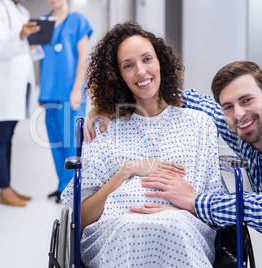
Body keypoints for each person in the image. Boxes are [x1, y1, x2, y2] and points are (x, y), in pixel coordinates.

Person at [86, 61, 262, 267]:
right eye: (228, 106)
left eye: (247, 100)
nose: (239, 114)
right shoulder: (245, 131)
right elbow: (175, 98)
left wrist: (194, 201)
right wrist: (111, 103)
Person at [61, 21, 228, 267]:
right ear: (117, 76)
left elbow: (218, 213)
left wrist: (181, 213)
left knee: (172, 226)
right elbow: (82, 219)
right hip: (116, 232)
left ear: (160, 62)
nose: (140, 71)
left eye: (147, 59)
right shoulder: (104, 128)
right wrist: (127, 170)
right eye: (128, 65)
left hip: (183, 229)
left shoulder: (199, 123)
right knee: (132, 228)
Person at [0, 0, 40, 206]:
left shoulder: (22, 10)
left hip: (20, 83)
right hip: (5, 85)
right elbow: (0, 47)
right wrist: (21, 35)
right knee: (1, 137)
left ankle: (7, 186)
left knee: (8, 137)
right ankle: (4, 189)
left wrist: (32, 42)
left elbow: (25, 49)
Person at [38, 0, 93, 203]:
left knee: (72, 144)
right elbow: (39, 55)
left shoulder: (78, 20)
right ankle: (62, 186)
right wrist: (40, 89)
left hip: (71, 92)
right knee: (55, 142)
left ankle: (71, 190)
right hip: (49, 91)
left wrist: (77, 89)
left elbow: (82, 59)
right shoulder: (44, 22)